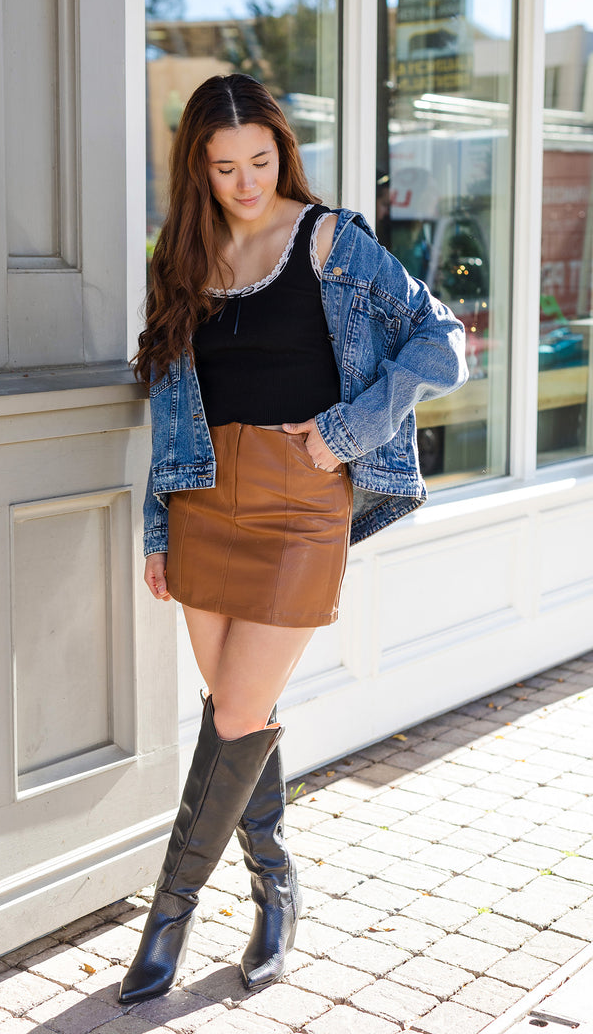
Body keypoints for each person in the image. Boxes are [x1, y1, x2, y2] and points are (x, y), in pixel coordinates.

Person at [119, 73, 468, 1004]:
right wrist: (158, 527)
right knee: (236, 717)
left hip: (299, 500)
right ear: (198, 166)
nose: (245, 183)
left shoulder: (330, 242)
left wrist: (347, 434)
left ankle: (169, 922)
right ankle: (276, 884)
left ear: (283, 150)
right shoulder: (180, 260)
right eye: (224, 167)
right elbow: (167, 407)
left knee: (236, 714)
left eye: (261, 162)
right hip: (201, 497)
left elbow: (442, 342)